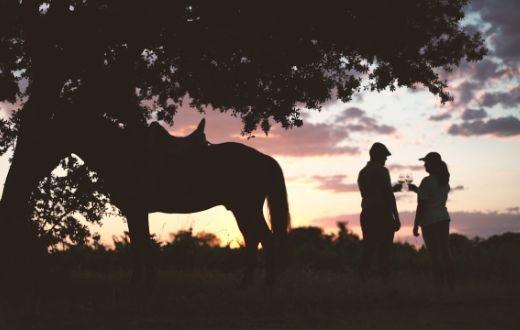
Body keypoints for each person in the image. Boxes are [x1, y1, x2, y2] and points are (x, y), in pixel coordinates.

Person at [409, 152, 454, 286]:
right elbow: (432, 195)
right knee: (446, 252)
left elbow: (422, 205)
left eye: (426, 162)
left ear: (432, 164)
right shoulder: (444, 181)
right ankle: (451, 284)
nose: (424, 165)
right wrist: (416, 189)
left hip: (430, 221)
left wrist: (416, 224)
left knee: (435, 254)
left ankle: (439, 285)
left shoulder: (427, 181)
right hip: (443, 218)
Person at [357, 142, 401, 279]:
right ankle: (384, 283)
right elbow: (387, 195)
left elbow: (372, 192)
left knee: (368, 250)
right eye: (384, 156)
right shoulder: (383, 171)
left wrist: (391, 189)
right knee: (385, 252)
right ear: (378, 155)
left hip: (367, 214)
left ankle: (363, 281)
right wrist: (396, 217)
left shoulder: (362, 172)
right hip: (382, 215)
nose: (386, 159)